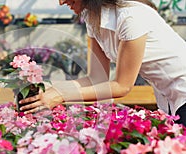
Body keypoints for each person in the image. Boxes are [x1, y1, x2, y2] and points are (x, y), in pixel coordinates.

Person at [18, 0, 186, 127]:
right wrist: (47, 88)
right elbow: (96, 78)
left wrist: (61, 96)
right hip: (171, 98)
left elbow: (122, 86)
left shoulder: (131, 17)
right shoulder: (92, 19)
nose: (61, 2)